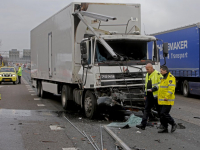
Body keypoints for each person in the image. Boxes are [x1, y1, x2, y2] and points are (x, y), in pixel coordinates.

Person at [136, 63, 162, 130]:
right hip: (149, 95)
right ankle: (143, 125)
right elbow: (146, 86)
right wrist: (145, 94)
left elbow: (161, 84)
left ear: (151, 68)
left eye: (147, 69)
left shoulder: (158, 74)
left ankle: (163, 124)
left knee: (159, 110)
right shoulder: (147, 74)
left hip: (155, 95)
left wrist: (153, 89)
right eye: (146, 69)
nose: (146, 70)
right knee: (146, 110)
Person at [157, 65, 177, 133]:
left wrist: (167, 97)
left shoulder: (171, 78)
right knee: (161, 114)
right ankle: (165, 128)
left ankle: (173, 123)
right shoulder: (163, 78)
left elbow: (171, 89)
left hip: (167, 100)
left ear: (165, 71)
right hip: (162, 100)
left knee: (164, 113)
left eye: (161, 71)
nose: (160, 72)